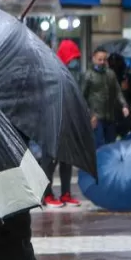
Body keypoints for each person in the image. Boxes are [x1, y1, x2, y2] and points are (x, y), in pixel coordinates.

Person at [43, 39, 82, 208]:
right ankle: (46, 193)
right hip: (51, 122)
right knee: (50, 160)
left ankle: (66, 192)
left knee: (67, 159)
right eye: (72, 57)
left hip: (69, 120)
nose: (75, 61)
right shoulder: (52, 72)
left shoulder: (74, 75)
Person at [82, 47, 129, 148]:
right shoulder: (88, 75)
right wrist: (90, 115)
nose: (102, 62)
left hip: (110, 116)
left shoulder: (110, 74)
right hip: (96, 117)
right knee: (99, 146)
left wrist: (124, 105)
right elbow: (81, 98)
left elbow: (117, 91)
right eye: (100, 59)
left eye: (104, 59)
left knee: (111, 145)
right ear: (94, 59)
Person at [110, 54, 131, 137]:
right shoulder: (108, 77)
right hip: (111, 112)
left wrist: (129, 88)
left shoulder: (129, 78)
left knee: (124, 134)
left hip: (126, 111)